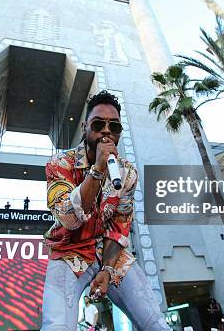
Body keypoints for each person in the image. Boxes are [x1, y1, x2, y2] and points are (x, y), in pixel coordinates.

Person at [41, 91, 169, 330]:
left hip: (110, 253)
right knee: (56, 325)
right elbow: (68, 219)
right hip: (68, 251)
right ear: (85, 127)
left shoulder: (127, 173)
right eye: (98, 124)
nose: (106, 131)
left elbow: (120, 226)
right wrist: (98, 169)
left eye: (114, 126)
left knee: (155, 323)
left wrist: (108, 270)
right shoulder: (60, 164)